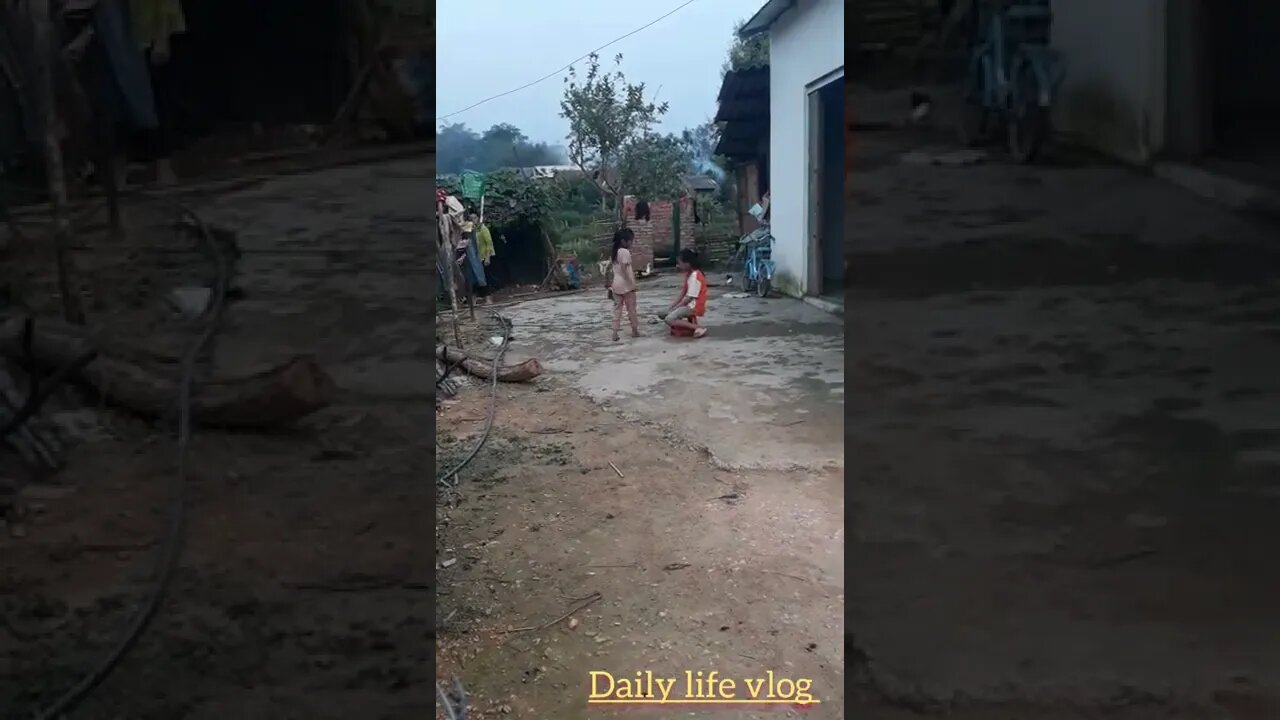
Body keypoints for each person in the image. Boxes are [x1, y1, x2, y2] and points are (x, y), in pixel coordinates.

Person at [664, 248, 708, 339]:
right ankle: (684, 325)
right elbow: (682, 293)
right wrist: (672, 307)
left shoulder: (696, 276)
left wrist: (675, 308)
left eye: (680, 263)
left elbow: (688, 298)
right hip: (688, 305)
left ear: (687, 263)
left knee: (669, 318)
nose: (678, 265)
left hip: (694, 307)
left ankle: (697, 328)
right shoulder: (689, 274)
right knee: (663, 313)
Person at [609, 227, 639, 341]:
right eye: (630, 240)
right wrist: (633, 284)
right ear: (623, 241)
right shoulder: (624, 252)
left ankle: (615, 332)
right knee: (631, 309)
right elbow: (627, 271)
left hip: (616, 284)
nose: (631, 242)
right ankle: (635, 330)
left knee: (617, 309)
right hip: (626, 285)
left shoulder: (615, 252)